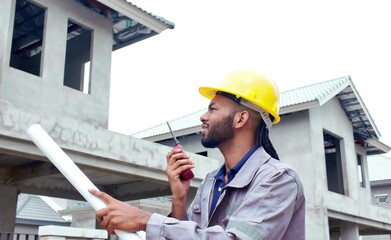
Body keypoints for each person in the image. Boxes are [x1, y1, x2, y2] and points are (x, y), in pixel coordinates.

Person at [89, 69, 305, 239]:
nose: (203, 117)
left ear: (241, 119)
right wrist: (179, 199)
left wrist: (145, 220)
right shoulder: (212, 182)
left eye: (213, 109)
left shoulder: (278, 179)